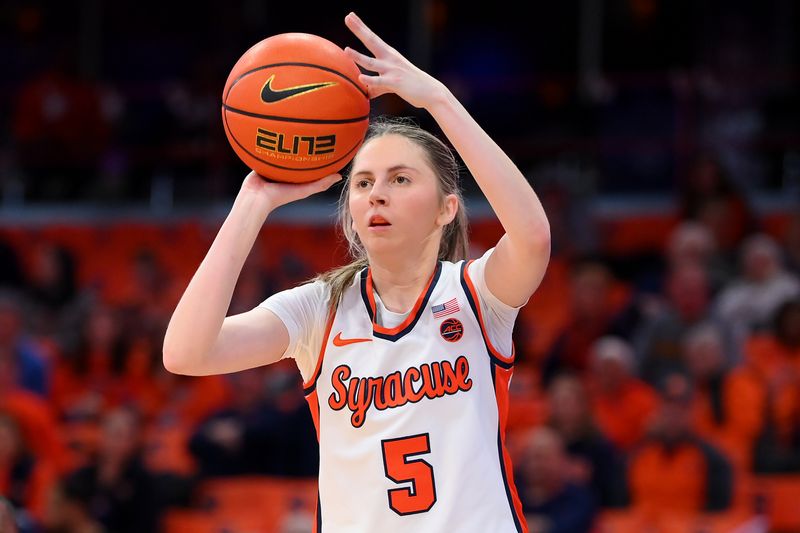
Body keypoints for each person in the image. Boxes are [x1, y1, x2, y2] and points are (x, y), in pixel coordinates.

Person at [163, 12, 550, 533]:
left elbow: (532, 237)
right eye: (363, 183)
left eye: (400, 178)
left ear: (446, 208)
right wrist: (251, 205)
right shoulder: (319, 309)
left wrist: (437, 100)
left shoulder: (477, 296)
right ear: (349, 211)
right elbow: (185, 354)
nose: (378, 194)